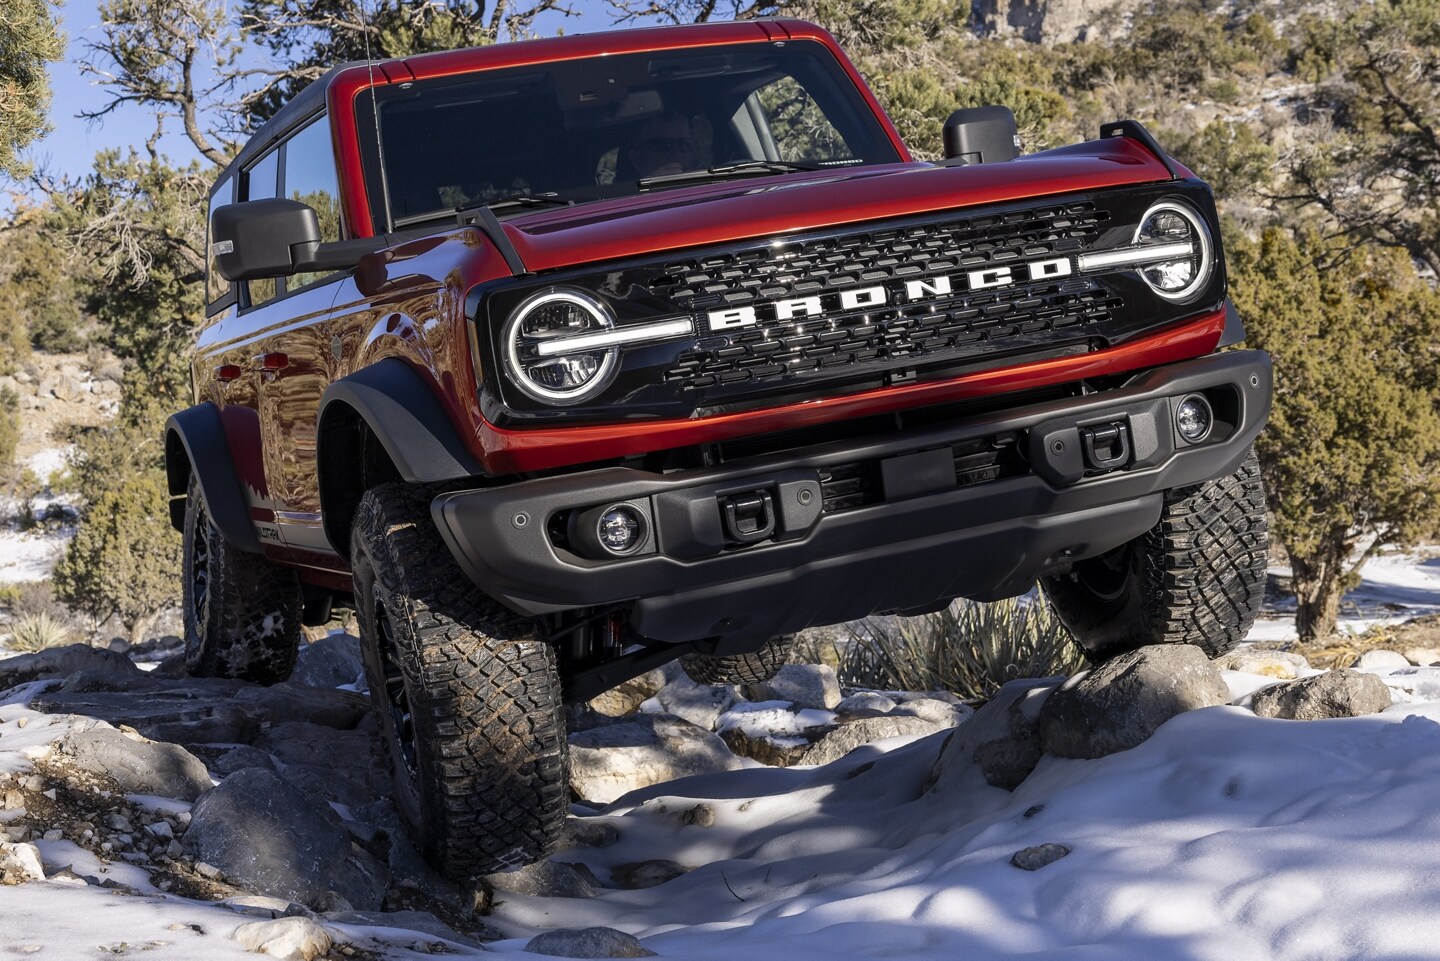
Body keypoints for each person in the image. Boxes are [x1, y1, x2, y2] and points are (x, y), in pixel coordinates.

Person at [628, 110, 696, 179]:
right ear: (636, 159)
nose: (677, 152)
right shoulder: (622, 190)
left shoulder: (705, 184)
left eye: (684, 145)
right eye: (663, 145)